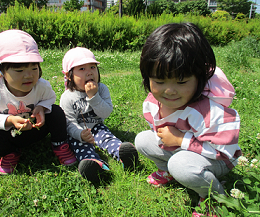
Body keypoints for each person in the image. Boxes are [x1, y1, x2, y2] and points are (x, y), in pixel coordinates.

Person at [135, 23, 242, 216]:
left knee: (180, 164)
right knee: (142, 140)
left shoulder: (207, 112)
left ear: (200, 78)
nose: (169, 90)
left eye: (182, 81)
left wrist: (180, 140)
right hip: (185, 153)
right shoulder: (152, 102)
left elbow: (224, 151)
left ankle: (215, 198)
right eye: (159, 81)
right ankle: (169, 172)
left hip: (218, 160)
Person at [0, 29, 77, 175]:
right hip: (10, 135)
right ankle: (10, 153)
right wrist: (10, 120)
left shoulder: (41, 86)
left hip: (37, 130)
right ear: (0, 70)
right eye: (19, 71)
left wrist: (41, 108)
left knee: (56, 112)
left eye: (34, 68)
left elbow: (50, 98)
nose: (29, 75)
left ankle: (59, 144)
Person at [60, 47, 138, 184]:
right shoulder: (67, 97)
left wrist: (94, 97)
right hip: (78, 131)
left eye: (92, 67)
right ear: (68, 75)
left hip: (97, 126)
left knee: (106, 137)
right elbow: (69, 122)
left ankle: (123, 153)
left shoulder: (101, 89)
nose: (89, 72)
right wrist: (79, 134)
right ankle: (95, 165)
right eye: (82, 69)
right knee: (81, 146)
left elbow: (106, 113)